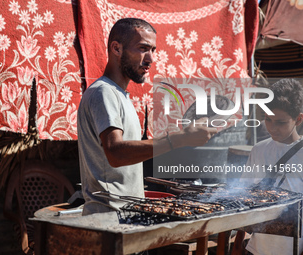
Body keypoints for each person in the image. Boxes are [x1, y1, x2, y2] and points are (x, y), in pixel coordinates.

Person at [77, 18, 217, 216]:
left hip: (125, 217)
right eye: (143, 48)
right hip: (108, 220)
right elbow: (116, 153)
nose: (151, 59)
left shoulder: (120, 95)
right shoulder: (103, 92)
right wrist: (180, 138)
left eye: (153, 50)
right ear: (116, 48)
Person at [243, 78, 303, 255]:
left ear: (298, 119)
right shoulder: (259, 149)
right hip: (259, 247)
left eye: (281, 122)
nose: (272, 128)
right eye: (267, 119)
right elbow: (244, 192)